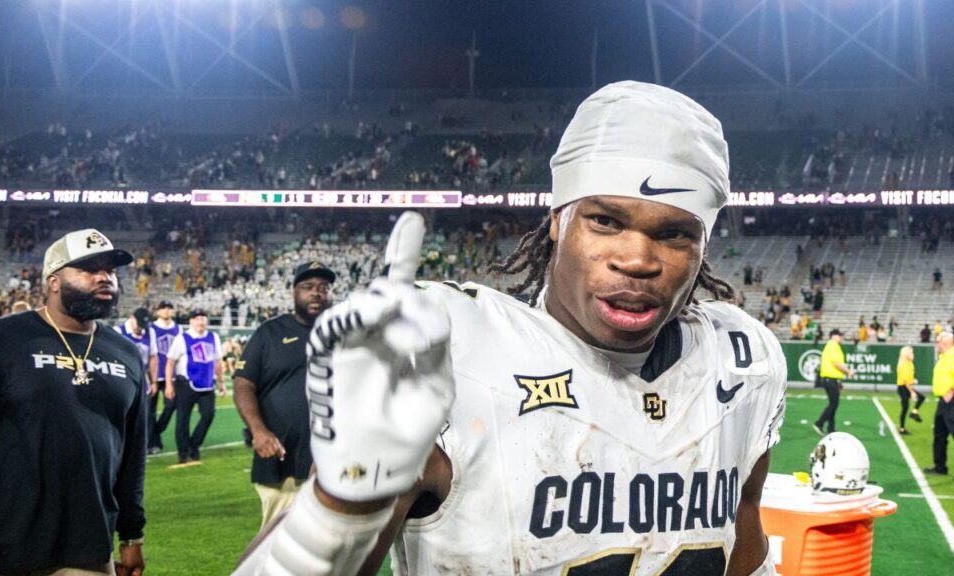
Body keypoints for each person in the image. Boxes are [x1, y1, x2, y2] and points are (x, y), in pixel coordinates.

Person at [236, 82, 787, 575]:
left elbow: (743, 535)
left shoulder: (740, 360)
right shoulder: (455, 349)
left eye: (674, 234)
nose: (637, 258)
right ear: (557, 220)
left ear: (703, 246)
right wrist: (344, 499)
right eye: (605, 221)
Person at [0, 228, 147, 576]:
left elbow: (133, 452)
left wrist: (132, 534)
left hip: (89, 548)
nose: (105, 277)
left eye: (111, 269)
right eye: (89, 268)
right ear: (53, 281)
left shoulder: (126, 353)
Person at [234, 262, 335, 528]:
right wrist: (258, 431)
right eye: (308, 287)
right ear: (293, 292)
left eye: (323, 288)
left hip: (334, 461)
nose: (316, 293)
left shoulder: (344, 334)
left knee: (332, 548)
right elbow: (244, 383)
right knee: (278, 542)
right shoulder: (270, 333)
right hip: (282, 460)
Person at [165, 309, 226, 465]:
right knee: (182, 420)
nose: (201, 322)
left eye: (203, 319)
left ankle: (194, 444)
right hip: (185, 384)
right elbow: (170, 361)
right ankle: (183, 453)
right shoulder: (182, 338)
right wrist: (169, 385)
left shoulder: (213, 337)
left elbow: (218, 362)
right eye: (197, 319)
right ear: (191, 322)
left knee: (208, 415)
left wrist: (221, 382)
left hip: (207, 384)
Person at [118, 307, 160, 438]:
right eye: (139, 324)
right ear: (132, 317)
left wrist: (154, 381)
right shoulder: (118, 332)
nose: (141, 329)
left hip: (143, 382)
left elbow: (153, 357)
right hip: (123, 382)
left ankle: (140, 450)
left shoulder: (150, 332)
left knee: (143, 417)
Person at [149, 300, 180, 454]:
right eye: (164, 308)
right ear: (158, 311)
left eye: (169, 308)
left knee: (170, 406)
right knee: (150, 411)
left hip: (171, 377)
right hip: (153, 375)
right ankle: (154, 442)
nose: (167, 311)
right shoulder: (151, 328)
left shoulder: (178, 328)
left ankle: (155, 432)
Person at [814, 329, 856, 436]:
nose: (841, 337)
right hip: (830, 379)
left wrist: (839, 381)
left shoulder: (832, 345)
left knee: (834, 403)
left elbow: (834, 365)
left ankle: (831, 428)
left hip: (831, 379)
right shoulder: (833, 345)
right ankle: (819, 423)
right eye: (840, 335)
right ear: (834, 336)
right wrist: (848, 372)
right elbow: (836, 363)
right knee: (834, 403)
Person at [925, 332, 954, 476]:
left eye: (938, 342)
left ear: (946, 343)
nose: (937, 345)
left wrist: (952, 392)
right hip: (943, 401)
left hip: (951, 401)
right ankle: (940, 466)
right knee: (940, 434)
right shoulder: (944, 357)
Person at [896, 345, 925, 434]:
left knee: (921, 398)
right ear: (906, 354)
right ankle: (902, 428)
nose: (913, 354)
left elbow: (909, 378)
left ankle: (914, 412)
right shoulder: (904, 364)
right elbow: (905, 381)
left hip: (906, 387)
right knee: (905, 408)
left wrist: (913, 380)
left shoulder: (909, 363)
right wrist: (911, 392)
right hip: (903, 388)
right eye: (911, 352)